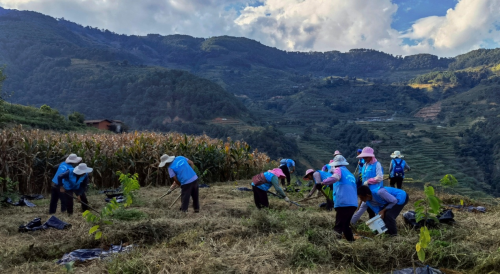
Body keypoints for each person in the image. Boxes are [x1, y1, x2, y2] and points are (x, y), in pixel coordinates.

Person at [322, 155, 358, 241]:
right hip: (353, 203)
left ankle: (335, 245)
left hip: (343, 202)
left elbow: (335, 178)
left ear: (335, 165)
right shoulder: (350, 174)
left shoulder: (338, 170)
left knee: (338, 226)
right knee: (345, 225)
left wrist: (322, 183)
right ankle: (351, 242)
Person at [357, 147, 384, 219]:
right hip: (366, 192)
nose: (365, 158)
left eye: (366, 157)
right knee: (369, 210)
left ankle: (381, 225)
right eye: (364, 157)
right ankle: (374, 225)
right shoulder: (365, 165)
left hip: (374, 192)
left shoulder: (377, 164)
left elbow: (380, 177)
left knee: (376, 209)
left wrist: (369, 181)